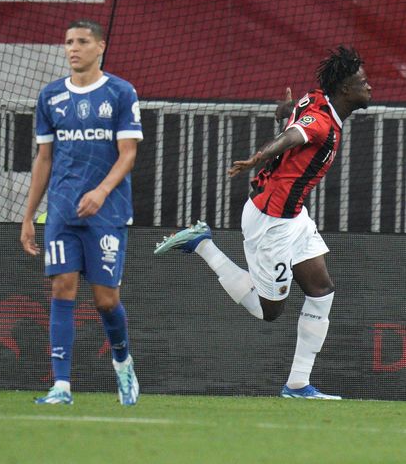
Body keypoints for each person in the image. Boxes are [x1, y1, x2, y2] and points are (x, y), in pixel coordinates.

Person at [154, 46, 372, 400]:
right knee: (268, 311)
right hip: (271, 221)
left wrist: (283, 112)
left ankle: (298, 385)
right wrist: (261, 154)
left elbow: (292, 117)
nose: (370, 87)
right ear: (345, 90)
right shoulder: (321, 122)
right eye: (363, 82)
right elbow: (294, 135)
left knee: (321, 291)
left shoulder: (316, 100)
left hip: (293, 215)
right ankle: (202, 243)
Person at [21, 20, 143, 405]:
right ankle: (61, 386)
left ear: (100, 46)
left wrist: (101, 191)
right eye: (69, 42)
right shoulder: (51, 96)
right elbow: (44, 159)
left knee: (106, 300)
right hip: (61, 211)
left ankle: (123, 363)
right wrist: (28, 215)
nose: (73, 48)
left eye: (82, 42)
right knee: (62, 288)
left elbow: (128, 154)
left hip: (107, 212)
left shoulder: (121, 92)